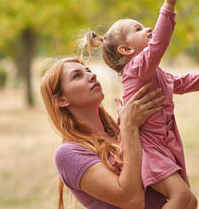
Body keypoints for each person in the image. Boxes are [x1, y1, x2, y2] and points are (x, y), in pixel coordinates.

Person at [77, 0, 199, 208]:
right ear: (126, 49)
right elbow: (159, 44)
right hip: (146, 149)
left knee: (190, 201)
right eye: (138, 28)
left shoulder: (152, 73)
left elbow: (179, 83)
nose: (149, 28)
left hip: (161, 145)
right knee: (182, 197)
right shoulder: (137, 69)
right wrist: (168, 7)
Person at [40, 57, 168, 209]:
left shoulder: (119, 133)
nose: (92, 75)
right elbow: (132, 200)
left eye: (88, 70)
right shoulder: (68, 154)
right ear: (61, 100)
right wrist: (130, 128)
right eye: (77, 76)